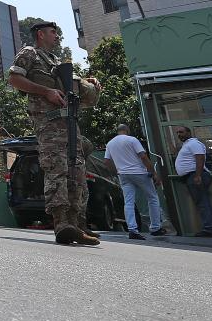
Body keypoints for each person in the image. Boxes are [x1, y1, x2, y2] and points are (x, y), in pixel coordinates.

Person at [8, 21, 102, 246]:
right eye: (53, 32)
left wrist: (89, 85)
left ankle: (77, 224)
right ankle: (62, 224)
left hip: (69, 125)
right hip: (49, 126)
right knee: (57, 170)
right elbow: (14, 79)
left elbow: (73, 91)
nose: (57, 36)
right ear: (40, 34)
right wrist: (46, 91)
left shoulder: (57, 62)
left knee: (77, 173)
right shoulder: (30, 53)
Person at [104, 124, 164, 240]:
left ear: (118, 131)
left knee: (129, 202)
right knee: (152, 197)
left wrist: (116, 171)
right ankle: (155, 228)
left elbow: (106, 161)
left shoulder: (110, 143)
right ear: (127, 130)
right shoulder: (132, 140)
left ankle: (132, 229)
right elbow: (143, 157)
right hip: (139, 172)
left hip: (123, 175)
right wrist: (154, 173)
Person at [174, 125, 212, 237]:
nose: (179, 134)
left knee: (202, 203)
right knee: (202, 203)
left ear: (188, 132)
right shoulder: (187, 145)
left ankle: (210, 229)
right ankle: (211, 228)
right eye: (177, 133)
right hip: (192, 176)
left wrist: (198, 175)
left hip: (195, 176)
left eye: (181, 132)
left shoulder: (194, 143)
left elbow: (200, 158)